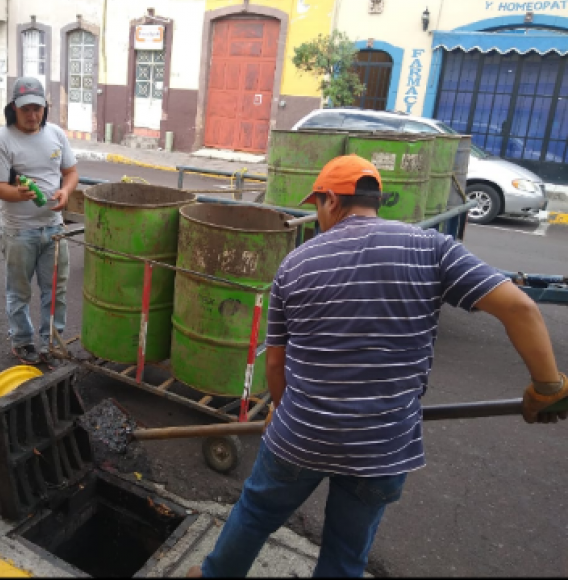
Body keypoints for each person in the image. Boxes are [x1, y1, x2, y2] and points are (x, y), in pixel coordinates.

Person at [189, 154, 567, 578]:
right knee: (346, 553)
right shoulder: (433, 248)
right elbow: (520, 308)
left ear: (331, 200)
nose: (317, 218)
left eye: (316, 206)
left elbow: (275, 362)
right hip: (384, 444)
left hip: (302, 434)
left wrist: (281, 409)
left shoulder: (295, 265)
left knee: (256, 513)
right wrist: (548, 388)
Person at [0, 77, 79, 368]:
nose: (32, 115)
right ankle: (22, 341)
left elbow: (71, 172)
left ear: (44, 108)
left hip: (53, 229)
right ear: (14, 108)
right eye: (26, 109)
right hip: (18, 231)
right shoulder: (1, 140)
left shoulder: (56, 135)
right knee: (19, 290)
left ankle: (52, 343)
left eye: (37, 108)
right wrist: (19, 193)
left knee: (56, 291)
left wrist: (65, 191)